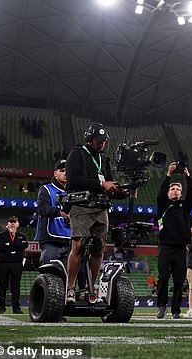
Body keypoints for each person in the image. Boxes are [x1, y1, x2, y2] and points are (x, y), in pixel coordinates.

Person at [65, 123, 124, 304]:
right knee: (78, 247)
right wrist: (100, 185)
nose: (102, 144)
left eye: (104, 141)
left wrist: (123, 192)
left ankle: (89, 289)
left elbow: (108, 184)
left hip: (100, 208)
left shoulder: (103, 159)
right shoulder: (77, 154)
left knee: (99, 249)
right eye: (99, 141)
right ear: (89, 139)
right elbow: (73, 180)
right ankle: (70, 288)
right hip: (81, 205)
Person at [155, 162, 192, 319]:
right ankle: (161, 307)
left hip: (180, 249)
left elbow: (191, 193)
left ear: (180, 193)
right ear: (168, 193)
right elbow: (160, 193)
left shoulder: (185, 207)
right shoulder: (162, 205)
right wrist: (168, 174)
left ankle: (176, 311)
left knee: (179, 281)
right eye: (172, 189)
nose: (175, 191)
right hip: (165, 247)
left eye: (178, 189)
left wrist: (188, 177)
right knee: (163, 277)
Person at [36, 159, 71, 267]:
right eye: (62, 170)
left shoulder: (75, 192)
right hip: (51, 240)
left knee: (69, 280)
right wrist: (59, 212)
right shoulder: (46, 189)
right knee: (50, 276)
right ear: (55, 173)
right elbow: (42, 209)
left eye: (68, 170)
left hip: (70, 240)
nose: (65, 173)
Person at [0, 216, 28, 314]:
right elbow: (1, 247)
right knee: (3, 286)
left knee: (16, 286)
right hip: (3, 264)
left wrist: (9, 245)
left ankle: (16, 308)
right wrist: (16, 248)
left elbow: (25, 245)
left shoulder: (22, 236)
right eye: (11, 222)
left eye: (15, 222)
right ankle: (1, 308)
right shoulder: (1, 235)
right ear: (7, 224)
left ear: (18, 224)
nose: (13, 223)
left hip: (17, 264)